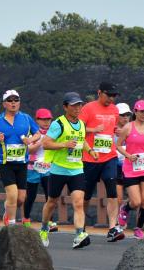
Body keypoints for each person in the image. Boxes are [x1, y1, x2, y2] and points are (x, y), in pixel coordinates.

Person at [0, 90, 40, 226]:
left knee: (20, 198)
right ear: (4, 104)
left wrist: (30, 140)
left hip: (22, 163)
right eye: (10, 100)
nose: (13, 103)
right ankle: (12, 225)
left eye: (16, 100)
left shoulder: (26, 118)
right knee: (12, 194)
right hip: (6, 163)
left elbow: (37, 134)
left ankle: (7, 211)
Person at [39, 92, 91, 249]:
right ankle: (43, 229)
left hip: (76, 170)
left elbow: (81, 142)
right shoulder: (58, 124)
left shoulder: (81, 123)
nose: (77, 108)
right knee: (51, 202)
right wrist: (64, 144)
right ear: (65, 107)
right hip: (59, 170)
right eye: (74, 105)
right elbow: (46, 143)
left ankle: (79, 234)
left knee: (78, 203)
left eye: (79, 105)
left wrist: (91, 151)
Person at [80, 82, 125, 241]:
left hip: (109, 157)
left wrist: (116, 131)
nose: (111, 98)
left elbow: (110, 129)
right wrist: (93, 130)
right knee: (85, 195)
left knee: (112, 191)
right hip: (90, 158)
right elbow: (78, 129)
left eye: (114, 96)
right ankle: (82, 225)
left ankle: (112, 228)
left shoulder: (115, 110)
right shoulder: (88, 108)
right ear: (99, 92)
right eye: (109, 95)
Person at [23, 108, 62, 230]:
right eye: (43, 119)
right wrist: (41, 141)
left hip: (48, 167)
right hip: (33, 167)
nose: (46, 122)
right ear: (37, 120)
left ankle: (50, 221)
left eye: (48, 119)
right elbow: (30, 149)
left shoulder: (54, 132)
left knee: (50, 195)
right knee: (31, 195)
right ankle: (26, 218)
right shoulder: (33, 132)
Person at [117, 100, 144, 240]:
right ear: (135, 112)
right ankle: (125, 208)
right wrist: (128, 155)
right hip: (131, 168)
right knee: (136, 202)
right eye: (141, 111)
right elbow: (118, 146)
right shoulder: (128, 127)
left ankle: (138, 227)